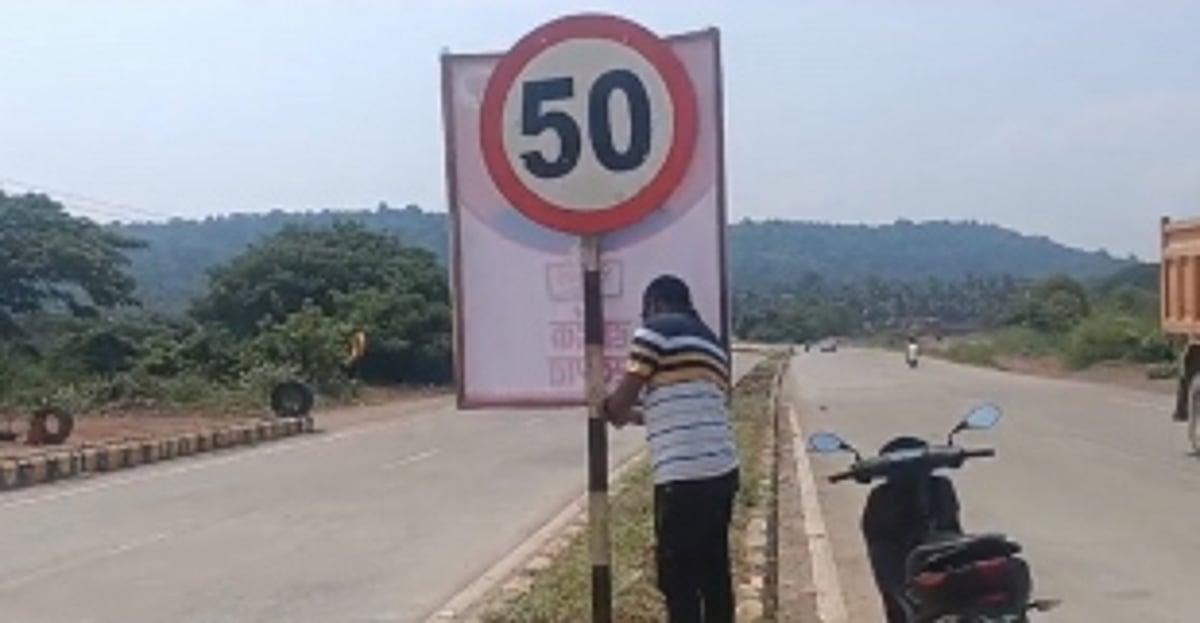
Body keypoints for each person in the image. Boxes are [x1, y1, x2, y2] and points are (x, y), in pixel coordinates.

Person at [603, 274, 739, 623]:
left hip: (683, 477)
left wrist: (608, 407)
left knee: (678, 579)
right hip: (723, 471)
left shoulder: (655, 331)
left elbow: (620, 404)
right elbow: (684, 408)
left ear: (654, 304)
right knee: (714, 572)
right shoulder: (713, 345)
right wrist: (632, 415)